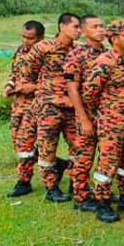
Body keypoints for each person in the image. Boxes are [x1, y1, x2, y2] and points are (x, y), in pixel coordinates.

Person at [81, 19, 124, 223]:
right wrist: (105, 113)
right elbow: (90, 94)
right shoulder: (104, 62)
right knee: (108, 161)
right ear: (114, 39)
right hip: (111, 120)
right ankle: (102, 202)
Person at [22, 13, 81, 203]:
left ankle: (76, 182)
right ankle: (51, 186)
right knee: (47, 146)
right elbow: (28, 74)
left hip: (72, 107)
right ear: (62, 27)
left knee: (78, 146)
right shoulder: (43, 48)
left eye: (80, 27)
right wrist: (44, 90)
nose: (79, 31)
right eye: (75, 27)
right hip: (49, 106)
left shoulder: (79, 51)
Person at [65, 14, 108, 211]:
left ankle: (100, 192)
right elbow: (72, 89)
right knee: (84, 156)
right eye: (95, 27)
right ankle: (81, 196)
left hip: (107, 115)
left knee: (106, 156)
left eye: (102, 26)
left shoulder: (107, 53)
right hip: (87, 115)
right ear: (82, 31)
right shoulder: (77, 55)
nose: (100, 30)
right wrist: (83, 119)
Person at [4, 20, 45, 197]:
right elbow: (14, 73)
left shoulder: (46, 54)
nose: (26, 41)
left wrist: (33, 88)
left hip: (36, 105)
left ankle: (24, 180)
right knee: (17, 142)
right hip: (19, 104)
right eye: (23, 36)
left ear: (40, 38)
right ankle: (55, 163)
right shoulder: (20, 51)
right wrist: (9, 85)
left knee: (25, 143)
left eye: (30, 38)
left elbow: (55, 81)